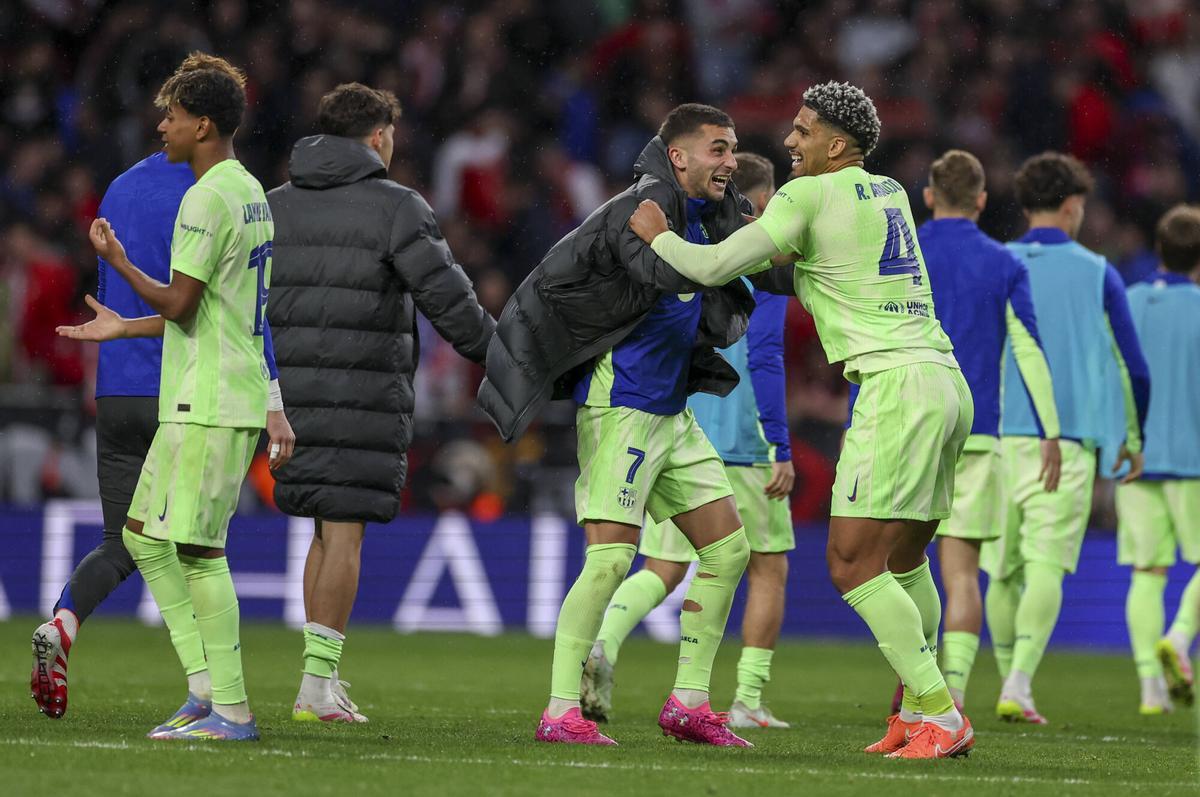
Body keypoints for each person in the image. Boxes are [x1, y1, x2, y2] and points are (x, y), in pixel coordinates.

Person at [630, 81, 974, 759]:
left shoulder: (806, 195)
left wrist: (659, 235)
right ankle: (915, 712)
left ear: (837, 145)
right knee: (907, 560)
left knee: (850, 563)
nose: (790, 141)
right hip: (943, 380)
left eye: (804, 130)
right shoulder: (890, 192)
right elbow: (812, 270)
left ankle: (942, 712)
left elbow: (714, 267)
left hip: (894, 388)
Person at [479, 103, 792, 747]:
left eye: (733, 148)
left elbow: (760, 273)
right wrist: (714, 246)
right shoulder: (637, 210)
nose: (730, 161)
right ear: (679, 156)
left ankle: (689, 702)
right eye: (717, 148)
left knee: (728, 550)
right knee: (612, 558)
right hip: (622, 403)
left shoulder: (706, 215)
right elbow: (664, 275)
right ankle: (560, 711)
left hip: (672, 408)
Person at [34, 53, 292, 724]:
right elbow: (239, 309)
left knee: (191, 551)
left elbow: (182, 303)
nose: (161, 126)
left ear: (201, 124)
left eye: (172, 115)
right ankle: (204, 691)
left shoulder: (182, 195)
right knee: (146, 538)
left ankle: (228, 709)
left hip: (194, 393)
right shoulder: (251, 190)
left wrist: (121, 269)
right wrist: (124, 327)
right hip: (188, 388)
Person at [266, 82, 495, 723]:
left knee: (322, 530)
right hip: (360, 393)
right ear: (377, 136)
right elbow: (449, 301)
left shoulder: (273, 204)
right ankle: (316, 687)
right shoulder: (396, 205)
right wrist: (508, 357)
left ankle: (319, 678)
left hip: (287, 397)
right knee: (344, 532)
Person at [579, 152, 797, 730]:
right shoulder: (760, 257)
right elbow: (766, 355)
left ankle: (604, 640)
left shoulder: (691, 246)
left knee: (664, 566)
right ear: (759, 203)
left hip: (682, 427)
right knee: (767, 568)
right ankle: (747, 698)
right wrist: (780, 443)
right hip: (745, 442)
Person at [981, 152, 1149, 725]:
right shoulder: (1099, 272)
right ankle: (1019, 683)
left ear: (1026, 205)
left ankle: (1005, 673)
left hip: (998, 436)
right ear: (1074, 206)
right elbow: (1133, 366)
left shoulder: (998, 261)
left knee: (1002, 568)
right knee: (1046, 564)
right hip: (1069, 440)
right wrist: (1132, 436)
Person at [910, 150, 1060, 714]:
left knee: (901, 569)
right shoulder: (1003, 262)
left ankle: (915, 690)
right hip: (977, 434)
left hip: (908, 425)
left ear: (929, 196)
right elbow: (1029, 349)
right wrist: (1050, 430)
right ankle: (952, 696)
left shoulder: (904, 251)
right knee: (963, 576)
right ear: (981, 200)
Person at [1116, 204, 1200, 713]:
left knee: (1147, 574)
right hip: (1192, 458)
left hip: (1135, 457)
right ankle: (1181, 635)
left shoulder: (1128, 301)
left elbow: (1112, 377)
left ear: (1159, 248)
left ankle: (1151, 688)